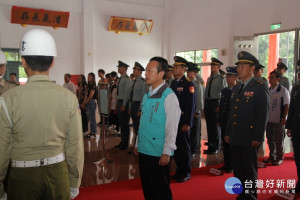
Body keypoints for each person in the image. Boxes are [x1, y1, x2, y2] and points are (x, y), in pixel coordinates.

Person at [0, 29, 84, 200]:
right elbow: (75, 144)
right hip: (58, 173)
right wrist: (74, 182)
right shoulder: (69, 98)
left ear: (23, 62)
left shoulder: (8, 99)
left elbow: (2, 149)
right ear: (52, 62)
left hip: (22, 176)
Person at [134, 56, 180, 200]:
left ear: (161, 74)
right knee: (148, 189)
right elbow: (143, 123)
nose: (146, 74)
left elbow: (171, 128)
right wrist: (137, 143)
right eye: (146, 71)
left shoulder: (169, 97)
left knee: (161, 191)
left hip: (158, 152)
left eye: (149, 71)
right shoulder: (148, 95)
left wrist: (167, 152)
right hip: (144, 149)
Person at [225, 51, 269, 200]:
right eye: (239, 65)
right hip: (236, 136)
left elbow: (262, 115)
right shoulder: (236, 88)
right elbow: (232, 113)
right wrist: (228, 132)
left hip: (249, 137)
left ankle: (250, 196)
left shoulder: (259, 87)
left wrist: (258, 137)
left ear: (252, 68)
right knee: (238, 169)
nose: (239, 68)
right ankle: (241, 195)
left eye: (243, 65)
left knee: (249, 171)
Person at [170, 56, 196, 183]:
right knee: (176, 147)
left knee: (184, 147)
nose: (174, 69)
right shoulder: (174, 83)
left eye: (177, 66)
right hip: (174, 120)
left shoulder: (188, 84)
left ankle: (186, 172)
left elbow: (191, 106)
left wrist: (188, 123)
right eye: (174, 66)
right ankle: (179, 170)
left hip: (183, 121)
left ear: (184, 69)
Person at [263, 71, 290, 166]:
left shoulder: (283, 90)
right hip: (269, 119)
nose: (270, 79)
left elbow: (287, 105)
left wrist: (284, 117)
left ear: (278, 79)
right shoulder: (268, 90)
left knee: (279, 140)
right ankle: (272, 156)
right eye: (270, 77)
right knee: (270, 139)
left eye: (272, 77)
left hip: (279, 119)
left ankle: (279, 157)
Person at [204, 57, 227, 154]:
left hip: (216, 103)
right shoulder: (210, 78)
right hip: (208, 103)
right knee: (209, 125)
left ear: (218, 67)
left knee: (215, 126)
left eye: (214, 65)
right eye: (211, 65)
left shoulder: (221, 78)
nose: (212, 67)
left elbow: (224, 93)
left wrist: (220, 106)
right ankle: (211, 146)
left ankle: (216, 146)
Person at [218, 66, 237, 173]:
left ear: (235, 77)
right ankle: (227, 163)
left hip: (233, 122)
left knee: (231, 144)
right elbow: (222, 106)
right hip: (224, 120)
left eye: (230, 76)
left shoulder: (238, 89)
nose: (227, 78)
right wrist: (219, 118)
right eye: (227, 76)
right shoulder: (225, 90)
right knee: (225, 144)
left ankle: (233, 164)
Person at [129, 62, 147, 154]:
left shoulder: (143, 82)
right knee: (135, 128)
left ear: (139, 71)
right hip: (133, 105)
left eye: (135, 70)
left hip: (138, 105)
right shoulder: (134, 81)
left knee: (138, 128)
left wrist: (140, 109)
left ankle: (139, 147)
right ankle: (135, 147)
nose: (133, 71)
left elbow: (143, 97)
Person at [187, 62, 203, 157]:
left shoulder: (197, 84)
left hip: (195, 111)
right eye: (188, 71)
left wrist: (197, 111)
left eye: (190, 72)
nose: (188, 73)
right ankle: (190, 147)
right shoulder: (187, 83)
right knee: (189, 130)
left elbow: (199, 99)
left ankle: (194, 149)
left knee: (195, 131)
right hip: (189, 110)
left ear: (195, 73)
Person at [286, 83, 300, 194]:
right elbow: (292, 109)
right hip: (297, 128)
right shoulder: (296, 88)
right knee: (298, 159)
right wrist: (289, 126)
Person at [115, 61, 132, 150]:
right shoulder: (120, 79)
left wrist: (124, 104)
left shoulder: (127, 79)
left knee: (125, 124)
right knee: (121, 124)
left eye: (120, 67)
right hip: (119, 102)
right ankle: (122, 141)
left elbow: (127, 93)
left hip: (123, 103)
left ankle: (125, 143)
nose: (118, 68)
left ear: (124, 68)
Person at [85, 72, 98, 138]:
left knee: (92, 118)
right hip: (88, 102)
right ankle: (91, 131)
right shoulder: (88, 85)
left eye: (90, 76)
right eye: (88, 76)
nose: (88, 77)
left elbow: (90, 96)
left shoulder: (93, 85)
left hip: (91, 102)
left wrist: (85, 102)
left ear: (93, 77)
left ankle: (94, 133)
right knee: (90, 118)